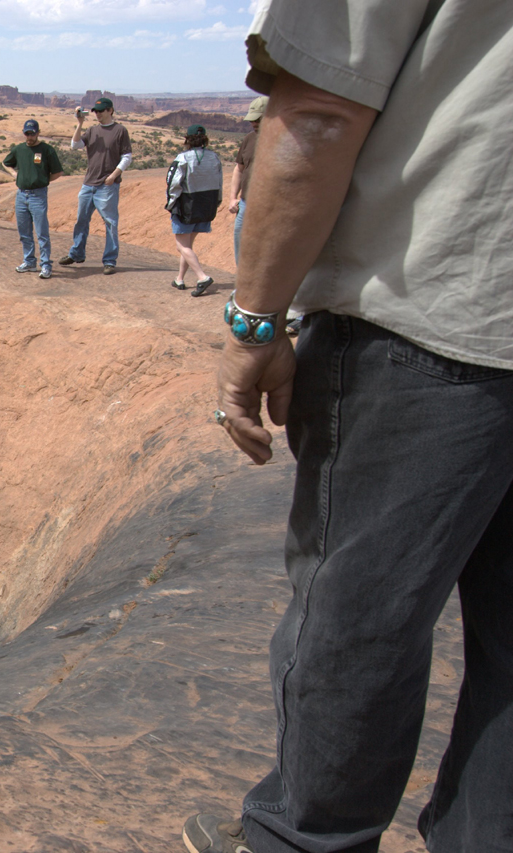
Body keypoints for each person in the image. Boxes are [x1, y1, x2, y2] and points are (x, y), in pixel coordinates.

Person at [187, 1, 513, 852]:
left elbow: (322, 115)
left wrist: (255, 323)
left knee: (360, 618)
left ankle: (306, 842)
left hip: (434, 310)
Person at [60, 97, 132, 273]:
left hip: (107, 185)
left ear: (110, 111)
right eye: (96, 111)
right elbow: (75, 145)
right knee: (81, 220)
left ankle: (109, 261)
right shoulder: (92, 130)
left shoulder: (120, 130)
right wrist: (79, 123)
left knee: (110, 222)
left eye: (101, 111)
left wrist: (114, 175)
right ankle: (77, 253)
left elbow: (127, 156)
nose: (98, 114)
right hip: (88, 184)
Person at [165, 124, 222, 296]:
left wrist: (171, 203)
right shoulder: (215, 157)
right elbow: (219, 183)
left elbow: (173, 183)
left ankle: (202, 277)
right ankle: (180, 279)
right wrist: (216, 203)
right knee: (188, 245)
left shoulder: (183, 158)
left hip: (186, 206)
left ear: (187, 139)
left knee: (181, 245)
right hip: (206, 205)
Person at [3, 119, 64, 279]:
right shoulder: (19, 149)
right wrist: (15, 174)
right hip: (21, 194)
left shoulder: (47, 150)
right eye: (27, 133)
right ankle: (29, 262)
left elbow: (58, 172)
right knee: (24, 232)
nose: (30, 136)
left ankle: (45, 265)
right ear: (24, 133)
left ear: (38, 133)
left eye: (33, 133)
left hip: (38, 195)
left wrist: (43, 180)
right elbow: (6, 163)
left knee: (42, 232)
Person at [228, 96, 268, 266]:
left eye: (258, 119)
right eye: (252, 119)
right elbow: (239, 169)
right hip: (245, 202)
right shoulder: (248, 139)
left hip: (269, 204)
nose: (254, 123)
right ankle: (242, 283)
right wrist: (232, 198)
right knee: (240, 238)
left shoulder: (284, 139)